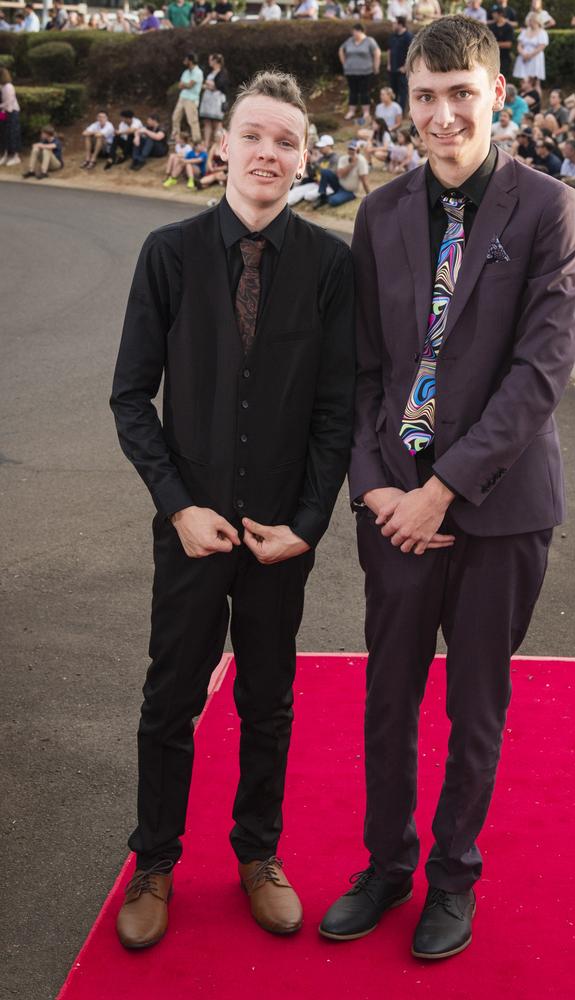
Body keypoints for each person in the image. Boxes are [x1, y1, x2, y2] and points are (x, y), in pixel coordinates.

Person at [318, 14, 575, 961]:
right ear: (403, 100)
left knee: (476, 706)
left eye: (459, 93)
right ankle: (385, 867)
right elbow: (360, 373)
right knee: (387, 699)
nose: (441, 115)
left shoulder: (551, 209)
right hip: (392, 503)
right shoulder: (379, 213)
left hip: (500, 512)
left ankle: (453, 876)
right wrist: (374, 488)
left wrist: (446, 492)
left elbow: (540, 374)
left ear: (496, 94)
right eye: (424, 97)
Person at [110, 69, 355, 950]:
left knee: (269, 700)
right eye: (254, 135)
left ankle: (258, 855)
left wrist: (310, 523)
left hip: (280, 538)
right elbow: (132, 398)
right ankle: (155, 863)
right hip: (190, 532)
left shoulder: (332, 264)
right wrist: (177, 507)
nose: (268, 152)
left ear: (303, 159)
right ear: (223, 143)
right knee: (169, 698)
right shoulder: (168, 254)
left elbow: (337, 412)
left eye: (287, 141)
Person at [339, 22, 381, 124]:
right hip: (351, 72)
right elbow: (341, 49)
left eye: (355, 32)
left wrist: (376, 66)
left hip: (365, 71)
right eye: (353, 32)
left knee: (364, 92)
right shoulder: (349, 41)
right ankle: (351, 111)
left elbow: (377, 52)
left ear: (361, 31)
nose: (353, 34)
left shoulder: (369, 41)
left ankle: (366, 112)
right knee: (353, 91)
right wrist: (344, 63)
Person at [316, 138, 370, 206]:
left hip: (351, 191)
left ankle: (333, 197)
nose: (351, 151)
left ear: (358, 150)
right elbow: (340, 175)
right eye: (350, 149)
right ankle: (322, 196)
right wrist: (352, 165)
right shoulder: (343, 159)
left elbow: (364, 181)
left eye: (353, 149)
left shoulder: (362, 161)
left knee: (333, 201)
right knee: (325, 172)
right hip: (339, 185)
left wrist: (369, 196)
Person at [171, 52, 204, 145]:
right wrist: (186, 85)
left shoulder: (198, 72)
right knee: (175, 117)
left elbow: (190, 85)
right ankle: (175, 137)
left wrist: (185, 85)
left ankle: (196, 140)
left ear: (190, 61)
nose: (184, 61)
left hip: (192, 99)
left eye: (186, 59)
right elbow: (180, 85)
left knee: (192, 120)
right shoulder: (185, 72)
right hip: (182, 97)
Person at [200, 53, 228, 146]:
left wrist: (208, 84)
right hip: (208, 100)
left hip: (217, 100)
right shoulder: (211, 72)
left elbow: (218, 86)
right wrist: (208, 85)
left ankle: (220, 145)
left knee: (217, 123)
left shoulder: (223, 72)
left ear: (215, 61)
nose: (209, 62)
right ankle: (207, 145)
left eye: (211, 60)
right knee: (207, 122)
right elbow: (208, 85)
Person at [387, 17, 414, 115]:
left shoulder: (408, 36)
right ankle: (392, 113)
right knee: (393, 91)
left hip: (403, 71)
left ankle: (400, 113)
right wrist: (389, 64)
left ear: (400, 24)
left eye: (394, 23)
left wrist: (406, 66)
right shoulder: (392, 36)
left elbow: (412, 53)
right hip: (392, 69)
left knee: (403, 93)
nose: (392, 26)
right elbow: (389, 50)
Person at [512, 12, 548, 82]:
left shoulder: (542, 32)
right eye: (530, 20)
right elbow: (519, 45)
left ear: (537, 21)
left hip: (535, 58)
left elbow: (542, 46)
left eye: (532, 20)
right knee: (523, 80)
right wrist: (523, 54)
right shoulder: (524, 31)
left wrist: (530, 55)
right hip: (523, 57)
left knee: (535, 81)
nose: (530, 22)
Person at [0, 67, 20, 167]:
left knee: (12, 133)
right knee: (3, 132)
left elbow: (9, 101)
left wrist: (0, 107)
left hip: (12, 112)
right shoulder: (1, 86)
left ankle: (15, 156)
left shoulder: (9, 86)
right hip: (3, 112)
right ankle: (6, 154)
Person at [489, 6, 515, 79]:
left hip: (504, 59)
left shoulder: (508, 27)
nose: (492, 15)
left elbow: (508, 44)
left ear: (500, 14)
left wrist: (494, 44)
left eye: (494, 13)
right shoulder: (491, 27)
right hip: (492, 58)